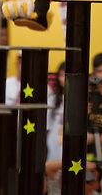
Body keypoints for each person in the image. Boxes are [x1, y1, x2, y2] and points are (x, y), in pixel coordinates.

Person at [45, 62, 65, 194]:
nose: (64, 78)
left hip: (69, 147)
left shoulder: (84, 101)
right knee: (55, 187)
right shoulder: (53, 100)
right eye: (62, 75)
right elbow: (47, 128)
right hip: (53, 148)